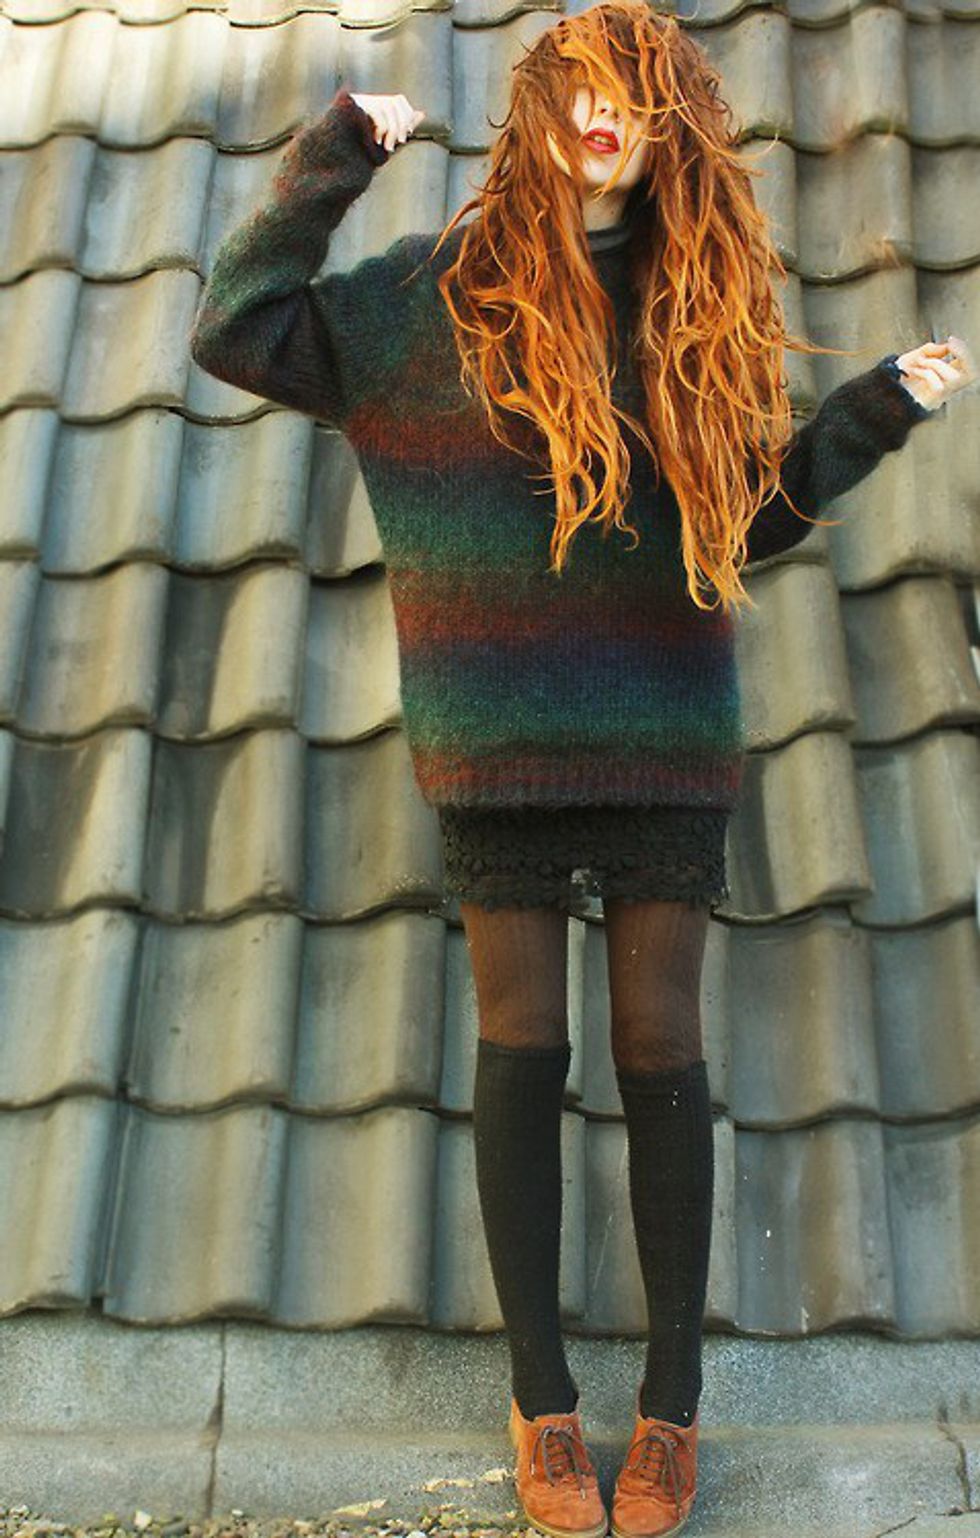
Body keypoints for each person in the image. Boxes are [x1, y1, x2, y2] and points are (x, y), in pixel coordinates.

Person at [188, 4, 976, 1534]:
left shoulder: (697, 307)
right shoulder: (427, 298)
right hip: (495, 744)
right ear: (537, 115)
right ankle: (542, 1402)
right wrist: (334, 156)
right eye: (578, 92)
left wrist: (872, 414)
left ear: (670, 125)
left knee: (660, 1043)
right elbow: (234, 325)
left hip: (666, 735)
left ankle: (671, 1406)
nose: (603, 117)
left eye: (632, 96)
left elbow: (742, 525)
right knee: (521, 1044)